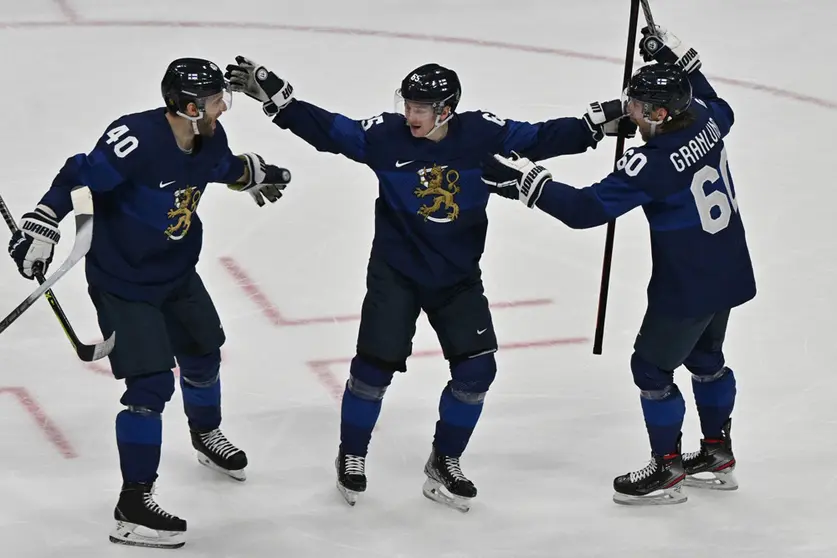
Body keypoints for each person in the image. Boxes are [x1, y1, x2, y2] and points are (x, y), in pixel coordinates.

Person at [224, 56, 629, 511]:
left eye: (421, 108)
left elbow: (540, 138)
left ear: (447, 109)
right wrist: (282, 103)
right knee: (373, 371)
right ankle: (352, 453)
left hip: (457, 277)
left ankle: (444, 461)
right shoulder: (385, 137)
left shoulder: (484, 135)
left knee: (478, 373)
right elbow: (332, 132)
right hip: (396, 274)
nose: (410, 115)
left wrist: (593, 125)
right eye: (408, 104)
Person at [8, 58, 291, 547]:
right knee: (151, 386)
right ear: (188, 107)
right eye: (216, 99)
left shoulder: (210, 136)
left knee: (204, 354)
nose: (225, 104)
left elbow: (221, 168)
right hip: (123, 282)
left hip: (176, 272)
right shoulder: (133, 140)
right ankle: (133, 505)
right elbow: (76, 174)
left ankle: (206, 434)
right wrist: (42, 221)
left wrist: (257, 174)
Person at [481, 27, 755, 505]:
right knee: (706, 360)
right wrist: (675, 58)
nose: (629, 112)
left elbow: (586, 211)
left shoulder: (653, 162)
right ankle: (716, 452)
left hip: (686, 282)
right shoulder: (706, 119)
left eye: (638, 107)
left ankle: (667, 468)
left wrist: (531, 180)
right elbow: (717, 101)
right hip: (728, 266)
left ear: (662, 113)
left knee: (651, 369)